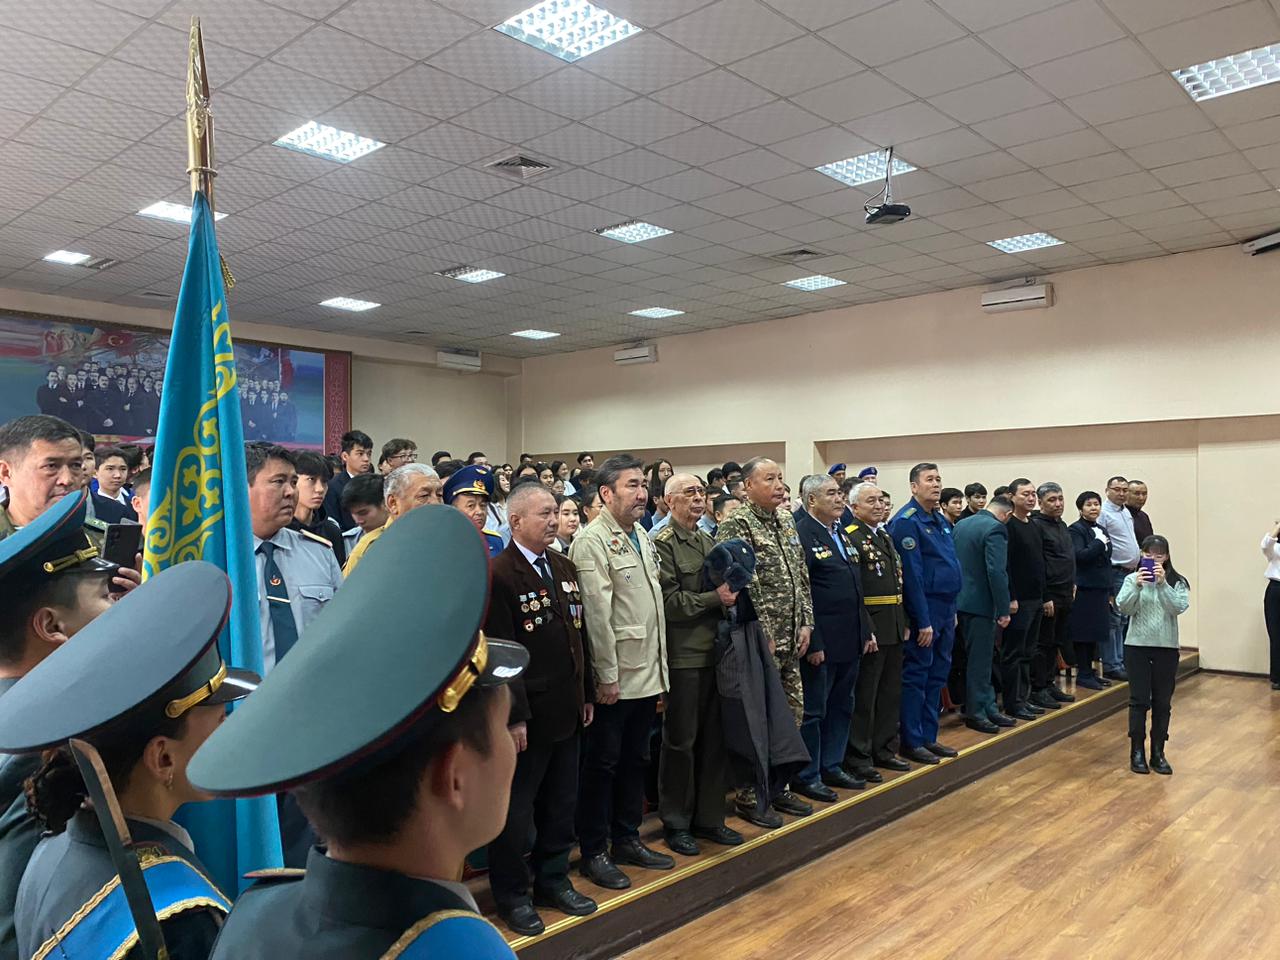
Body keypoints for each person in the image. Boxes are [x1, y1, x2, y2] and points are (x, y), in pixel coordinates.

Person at [190, 507, 529, 959]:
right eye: (503, 727)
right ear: (456, 775)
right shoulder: (460, 950)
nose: (512, 749)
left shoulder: (256, 910)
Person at [1, 562, 257, 960]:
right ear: (162, 757)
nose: (229, 731)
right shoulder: (178, 918)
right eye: (220, 720)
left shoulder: (54, 848)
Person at [0, 491, 119, 960]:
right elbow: (16, 918)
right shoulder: (42, 744)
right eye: (105, 597)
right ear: (52, 626)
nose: (118, 611)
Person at [485, 483, 596, 935]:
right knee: (517, 811)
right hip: (528, 716)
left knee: (561, 803)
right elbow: (500, 652)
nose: (554, 521)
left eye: (556, 512)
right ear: (515, 521)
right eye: (544, 514)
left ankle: (554, 879)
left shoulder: (564, 566)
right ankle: (512, 894)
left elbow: (578, 636)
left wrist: (586, 692)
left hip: (567, 707)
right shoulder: (499, 574)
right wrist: (514, 715)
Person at [569, 454, 672, 890]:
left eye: (643, 485)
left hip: (646, 671)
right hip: (616, 677)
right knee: (603, 765)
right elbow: (596, 616)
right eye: (632, 485)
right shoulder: (591, 541)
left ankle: (627, 837)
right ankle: (594, 850)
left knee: (636, 759)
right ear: (606, 493)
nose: (641, 493)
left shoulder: (642, 535)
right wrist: (605, 676)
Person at [715, 458, 815, 821]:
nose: (778, 485)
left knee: (791, 715)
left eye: (780, 478)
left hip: (791, 637)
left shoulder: (786, 519)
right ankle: (749, 793)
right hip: (759, 642)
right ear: (748, 486)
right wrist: (763, 633)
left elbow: (800, 574)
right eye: (769, 479)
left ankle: (778, 786)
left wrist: (806, 622)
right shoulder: (737, 523)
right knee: (756, 721)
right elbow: (739, 586)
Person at [653, 475, 740, 858]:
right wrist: (715, 598)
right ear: (669, 500)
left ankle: (709, 817)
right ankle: (676, 822)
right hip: (684, 655)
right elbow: (670, 603)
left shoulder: (707, 540)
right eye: (689, 493)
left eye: (701, 492)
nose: (698, 499)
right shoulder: (663, 542)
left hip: (715, 653)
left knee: (713, 740)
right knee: (681, 742)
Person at [792, 475, 875, 800]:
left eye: (840, 493)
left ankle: (832, 764)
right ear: (812, 500)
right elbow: (804, 593)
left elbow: (856, 586)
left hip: (850, 637)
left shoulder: (840, 532)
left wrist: (865, 629)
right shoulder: (802, 533)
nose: (840, 499)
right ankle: (808, 774)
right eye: (831, 494)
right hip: (822, 640)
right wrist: (814, 642)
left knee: (842, 705)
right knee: (815, 711)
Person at [888, 462, 962, 765]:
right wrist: (922, 620)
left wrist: (952, 609)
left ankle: (929, 736)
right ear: (914, 486)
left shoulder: (939, 519)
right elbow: (912, 576)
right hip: (926, 608)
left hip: (946, 607)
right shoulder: (907, 522)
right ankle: (912, 739)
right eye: (929, 479)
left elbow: (949, 564)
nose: (936, 484)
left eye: (938, 479)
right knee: (917, 675)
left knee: (937, 674)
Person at [845, 484, 909, 778]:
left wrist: (904, 620)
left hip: (893, 623)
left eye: (881, 500)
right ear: (855, 507)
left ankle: (884, 749)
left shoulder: (883, 535)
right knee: (866, 696)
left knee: (889, 693)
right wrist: (866, 628)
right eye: (870, 501)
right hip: (872, 625)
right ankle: (859, 756)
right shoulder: (852, 537)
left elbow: (897, 582)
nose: (878, 505)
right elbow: (856, 590)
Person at [1118, 535, 1189, 775]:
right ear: (1142, 555)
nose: (1153, 560)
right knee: (1139, 701)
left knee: (1162, 702)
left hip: (1166, 648)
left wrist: (1162, 584)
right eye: (1148, 555)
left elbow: (1177, 608)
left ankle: (1158, 753)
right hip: (1136, 646)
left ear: (1166, 557)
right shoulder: (1131, 579)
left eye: (1159, 555)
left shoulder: (1177, 581)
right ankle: (1136, 751)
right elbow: (1124, 608)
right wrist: (1137, 586)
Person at [953, 495, 1016, 734]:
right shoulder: (995, 528)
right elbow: (996, 571)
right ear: (1007, 514)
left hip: (961, 601)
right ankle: (977, 712)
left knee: (978, 660)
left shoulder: (961, 524)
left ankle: (988, 706)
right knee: (980, 662)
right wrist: (1003, 607)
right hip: (982, 604)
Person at [343, 463, 441, 577]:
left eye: (439, 494)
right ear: (392, 503)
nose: (436, 503)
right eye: (424, 496)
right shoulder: (371, 549)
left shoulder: (448, 540)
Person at [1001, 478, 1046, 721]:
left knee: (1029, 651)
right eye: (1025, 494)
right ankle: (1013, 702)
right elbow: (1005, 565)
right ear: (1011, 497)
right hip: (1019, 600)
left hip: (1036, 598)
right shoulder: (1009, 525)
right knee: (1014, 653)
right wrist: (1011, 597)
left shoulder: (1034, 524)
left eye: (1033, 494)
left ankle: (1024, 697)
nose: (1031, 498)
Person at [1031, 482, 1077, 709]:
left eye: (1060, 498)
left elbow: (1067, 557)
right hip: (1050, 595)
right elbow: (1038, 564)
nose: (1058, 503)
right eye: (1052, 499)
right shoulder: (1036, 526)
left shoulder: (1061, 524)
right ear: (1040, 502)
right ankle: (1038, 688)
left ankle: (1049, 683)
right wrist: (1045, 595)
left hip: (1066, 590)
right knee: (1044, 643)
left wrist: (1073, 583)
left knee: (1057, 641)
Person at [1069, 491, 1113, 691]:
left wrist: (1110, 589)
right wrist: (1098, 542)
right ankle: (1084, 673)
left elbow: (1107, 558)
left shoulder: (1101, 529)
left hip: (1101, 586)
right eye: (1089, 504)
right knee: (1084, 632)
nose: (1094, 508)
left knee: (1096, 631)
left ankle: (1091, 671)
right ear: (1080, 509)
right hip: (1085, 588)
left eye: (1096, 504)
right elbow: (1081, 556)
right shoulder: (1075, 530)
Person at [1095, 475, 1137, 681]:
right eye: (1117, 489)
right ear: (1107, 490)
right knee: (1114, 619)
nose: (1121, 493)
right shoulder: (1103, 513)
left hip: (1130, 572)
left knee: (1124, 618)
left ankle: (1121, 660)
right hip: (1114, 571)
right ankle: (1112, 664)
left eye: (1125, 490)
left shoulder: (1125, 511)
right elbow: (1101, 544)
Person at [290, 451, 347, 567]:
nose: (320, 489)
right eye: (311, 479)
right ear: (293, 482)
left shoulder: (332, 532)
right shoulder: (279, 530)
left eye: (324, 481)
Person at [443, 464, 505, 558]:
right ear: (453, 510)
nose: (479, 511)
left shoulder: (495, 541)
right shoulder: (442, 543)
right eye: (471, 506)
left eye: (483, 505)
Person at [322, 430, 373, 531]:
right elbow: (333, 524)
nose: (366, 459)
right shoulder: (333, 487)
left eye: (369, 454)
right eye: (360, 454)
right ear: (345, 456)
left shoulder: (376, 484)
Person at [89, 445, 138, 522]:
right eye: (110, 469)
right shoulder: (90, 506)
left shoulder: (135, 505)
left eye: (123, 469)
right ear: (95, 473)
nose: (118, 475)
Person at [1262, 520, 1280, 691]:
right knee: (1275, 634)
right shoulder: (1275, 548)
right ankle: (1277, 677)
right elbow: (1265, 544)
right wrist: (1278, 526)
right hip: (1276, 590)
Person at [1127, 479, 1153, 544]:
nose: (1141, 498)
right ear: (1126, 494)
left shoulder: (1144, 516)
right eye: (1137, 494)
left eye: (1144, 494)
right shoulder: (1121, 515)